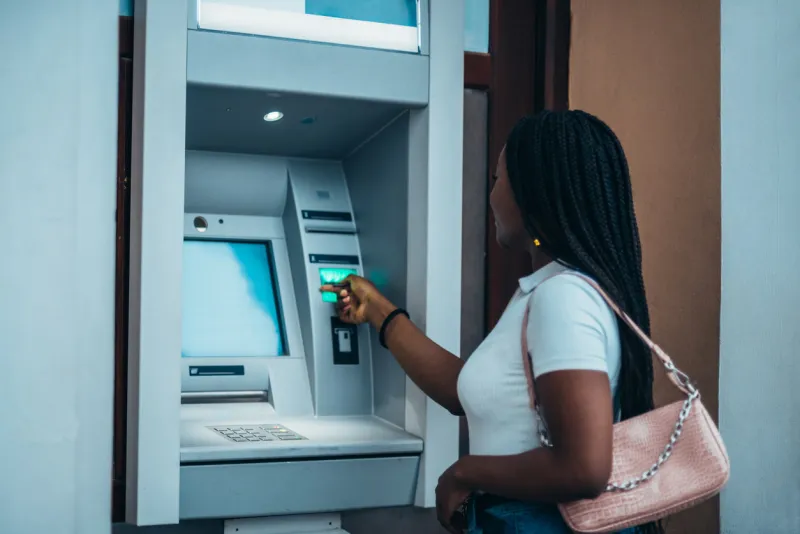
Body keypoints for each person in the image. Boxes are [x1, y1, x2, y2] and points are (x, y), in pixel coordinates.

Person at [321, 110, 659, 534]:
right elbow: (465, 391)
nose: (492, 194)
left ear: (532, 193)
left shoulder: (563, 297)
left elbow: (583, 468)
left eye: (499, 178)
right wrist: (378, 311)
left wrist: (466, 472)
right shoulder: (549, 290)